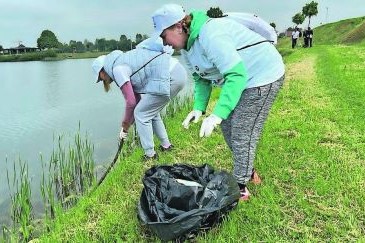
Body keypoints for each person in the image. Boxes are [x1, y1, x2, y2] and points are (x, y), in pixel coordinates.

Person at [151, 4, 285, 200]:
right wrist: (199, 108)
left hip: (262, 74)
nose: (165, 43)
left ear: (178, 26)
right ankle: (249, 170)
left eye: (163, 36)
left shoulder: (210, 35)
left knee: (242, 131)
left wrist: (217, 114)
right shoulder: (187, 49)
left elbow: (236, 75)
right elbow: (201, 78)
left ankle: (240, 187)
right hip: (241, 78)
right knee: (227, 127)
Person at [92, 37, 187, 160]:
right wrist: (126, 127)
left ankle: (150, 155)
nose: (103, 81)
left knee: (141, 114)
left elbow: (131, 103)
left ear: (102, 71)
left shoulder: (117, 69)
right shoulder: (122, 62)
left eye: (100, 78)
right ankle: (166, 145)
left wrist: (125, 126)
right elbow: (136, 101)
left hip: (171, 76)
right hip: (177, 72)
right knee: (150, 112)